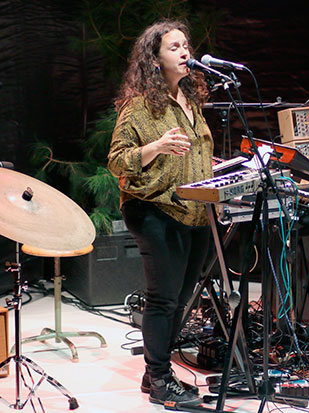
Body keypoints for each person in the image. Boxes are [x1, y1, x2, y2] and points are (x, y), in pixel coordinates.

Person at [108, 19, 212, 405]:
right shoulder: (139, 108)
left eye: (186, 45)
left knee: (182, 298)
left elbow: (195, 154)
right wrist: (156, 147)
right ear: (155, 59)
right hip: (153, 209)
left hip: (195, 211)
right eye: (174, 47)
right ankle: (159, 380)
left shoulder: (192, 101)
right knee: (163, 299)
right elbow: (118, 162)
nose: (185, 52)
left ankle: (156, 374)